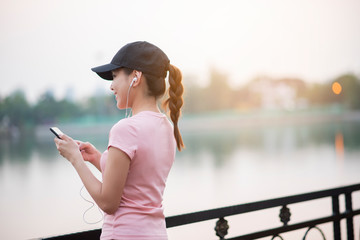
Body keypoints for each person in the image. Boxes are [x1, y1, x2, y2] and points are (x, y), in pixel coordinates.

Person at [54, 41, 184, 240]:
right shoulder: (167, 127)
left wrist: (75, 159)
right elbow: (138, 180)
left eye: (114, 77)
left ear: (136, 77)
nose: (111, 86)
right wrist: (97, 158)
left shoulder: (126, 129)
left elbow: (108, 203)